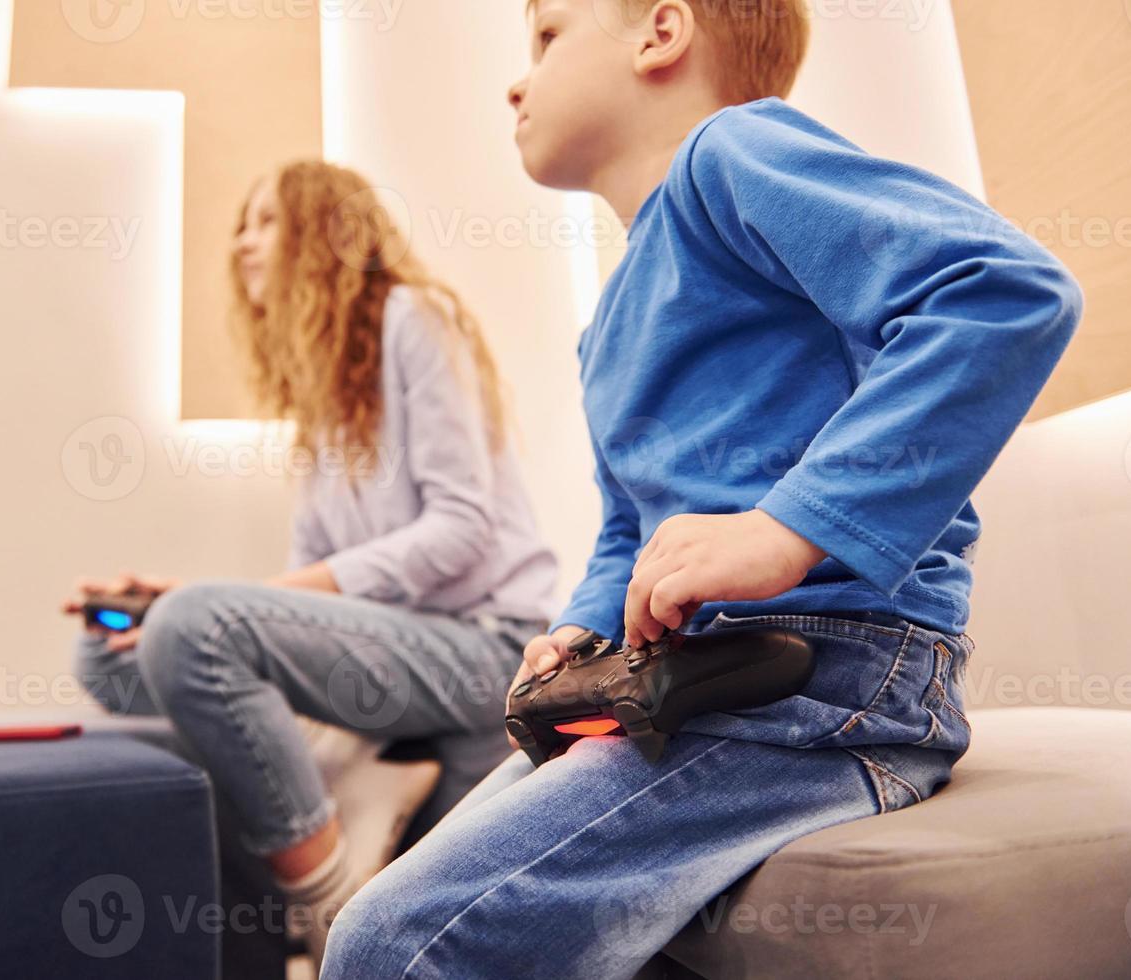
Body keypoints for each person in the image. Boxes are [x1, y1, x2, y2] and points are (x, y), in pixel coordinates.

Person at [321, 1, 1082, 976]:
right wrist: (583, 626)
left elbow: (1002, 293)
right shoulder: (605, 323)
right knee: (400, 903)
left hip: (827, 673)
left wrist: (787, 528)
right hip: (685, 680)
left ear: (661, 33)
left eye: (547, 37)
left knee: (391, 944)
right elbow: (634, 526)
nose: (517, 80)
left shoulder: (735, 153)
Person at [62, 160, 558, 966]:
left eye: (265, 222)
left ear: (328, 233)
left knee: (192, 624)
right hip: (390, 650)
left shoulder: (414, 317)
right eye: (241, 228)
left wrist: (213, 604)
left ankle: (329, 906)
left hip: (485, 647)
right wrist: (195, 605)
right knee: (105, 650)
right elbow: (309, 584)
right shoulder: (324, 391)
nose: (243, 246)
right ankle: (354, 795)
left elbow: (460, 530)